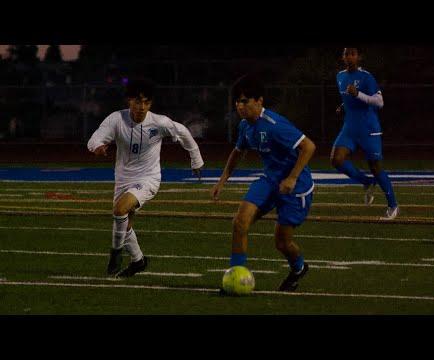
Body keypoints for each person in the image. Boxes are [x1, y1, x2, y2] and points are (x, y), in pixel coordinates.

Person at [87, 78, 204, 277]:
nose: (142, 107)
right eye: (137, 101)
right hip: (123, 179)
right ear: (129, 101)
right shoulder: (116, 119)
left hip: (148, 178)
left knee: (120, 209)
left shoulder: (159, 122)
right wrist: (97, 147)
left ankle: (115, 253)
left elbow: (183, 132)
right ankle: (138, 261)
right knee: (125, 222)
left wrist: (196, 160)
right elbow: (95, 138)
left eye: (146, 102)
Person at [211, 74, 316, 292]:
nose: (240, 106)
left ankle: (299, 268)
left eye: (245, 101)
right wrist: (222, 181)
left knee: (282, 243)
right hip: (269, 180)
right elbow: (237, 153)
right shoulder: (245, 126)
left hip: (295, 188)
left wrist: (292, 177)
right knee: (240, 222)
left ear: (259, 101)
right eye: (238, 101)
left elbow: (309, 147)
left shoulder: (275, 125)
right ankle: (235, 276)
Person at [331, 47, 399, 220]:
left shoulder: (367, 77)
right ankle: (367, 182)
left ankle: (393, 205)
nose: (349, 57)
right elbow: (347, 98)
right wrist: (342, 106)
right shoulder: (340, 76)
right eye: (346, 53)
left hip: (369, 129)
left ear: (359, 57)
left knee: (376, 167)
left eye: (352, 53)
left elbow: (379, 102)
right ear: (343, 57)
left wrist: (358, 94)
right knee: (336, 159)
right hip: (349, 127)